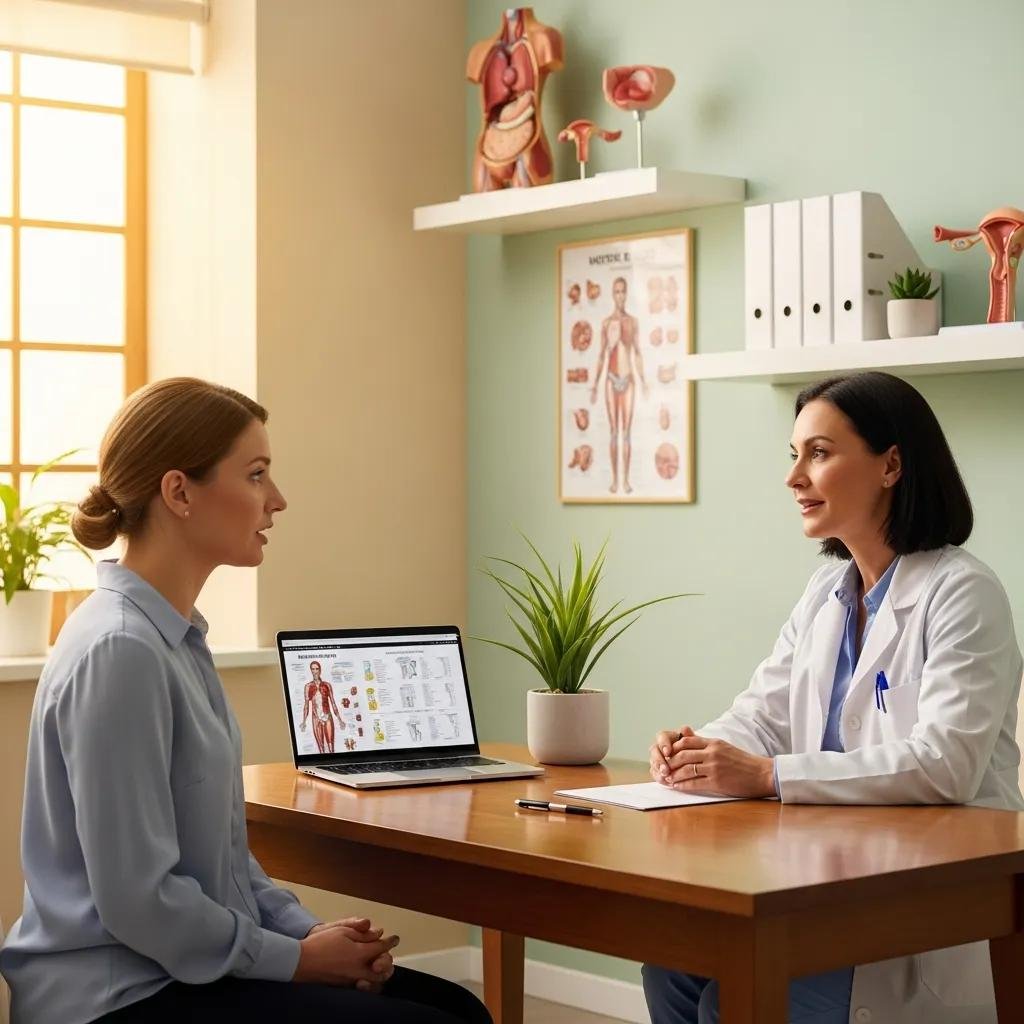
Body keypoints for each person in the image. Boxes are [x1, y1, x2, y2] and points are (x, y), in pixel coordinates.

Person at [0, 378, 491, 1024]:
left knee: (457, 1006)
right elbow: (138, 900)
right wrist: (298, 961)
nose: (277, 499)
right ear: (179, 493)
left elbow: (223, 864)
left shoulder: (177, 639)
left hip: (181, 969)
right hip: (117, 994)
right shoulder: (121, 651)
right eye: (256, 474)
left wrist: (309, 935)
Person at [643, 372, 1023, 1024]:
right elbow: (762, 712)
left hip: (924, 903)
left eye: (818, 453)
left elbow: (946, 765)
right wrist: (698, 750)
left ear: (891, 465)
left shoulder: (964, 593)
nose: (794, 477)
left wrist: (767, 775)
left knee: (730, 1002)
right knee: (672, 965)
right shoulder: (826, 593)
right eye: (794, 455)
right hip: (823, 881)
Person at [590, 275, 649, 494]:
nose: (620, 296)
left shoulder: (632, 322)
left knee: (627, 432)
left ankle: (626, 481)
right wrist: (595, 384)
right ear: (612, 295)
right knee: (614, 431)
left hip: (629, 379)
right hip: (611, 379)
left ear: (627, 294)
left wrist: (643, 380)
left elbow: (638, 353)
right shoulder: (606, 323)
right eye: (617, 292)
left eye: (623, 291)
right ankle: (615, 480)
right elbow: (601, 355)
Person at [301, 660, 342, 753]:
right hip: (316, 718)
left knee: (331, 747)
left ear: (320, 670)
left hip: (327, 716)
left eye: (317, 669)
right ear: (311, 670)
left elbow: (333, 703)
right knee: (321, 748)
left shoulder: (327, 685)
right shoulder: (308, 686)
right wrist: (304, 721)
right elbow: (306, 706)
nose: (315, 671)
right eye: (313, 669)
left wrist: (339, 719)